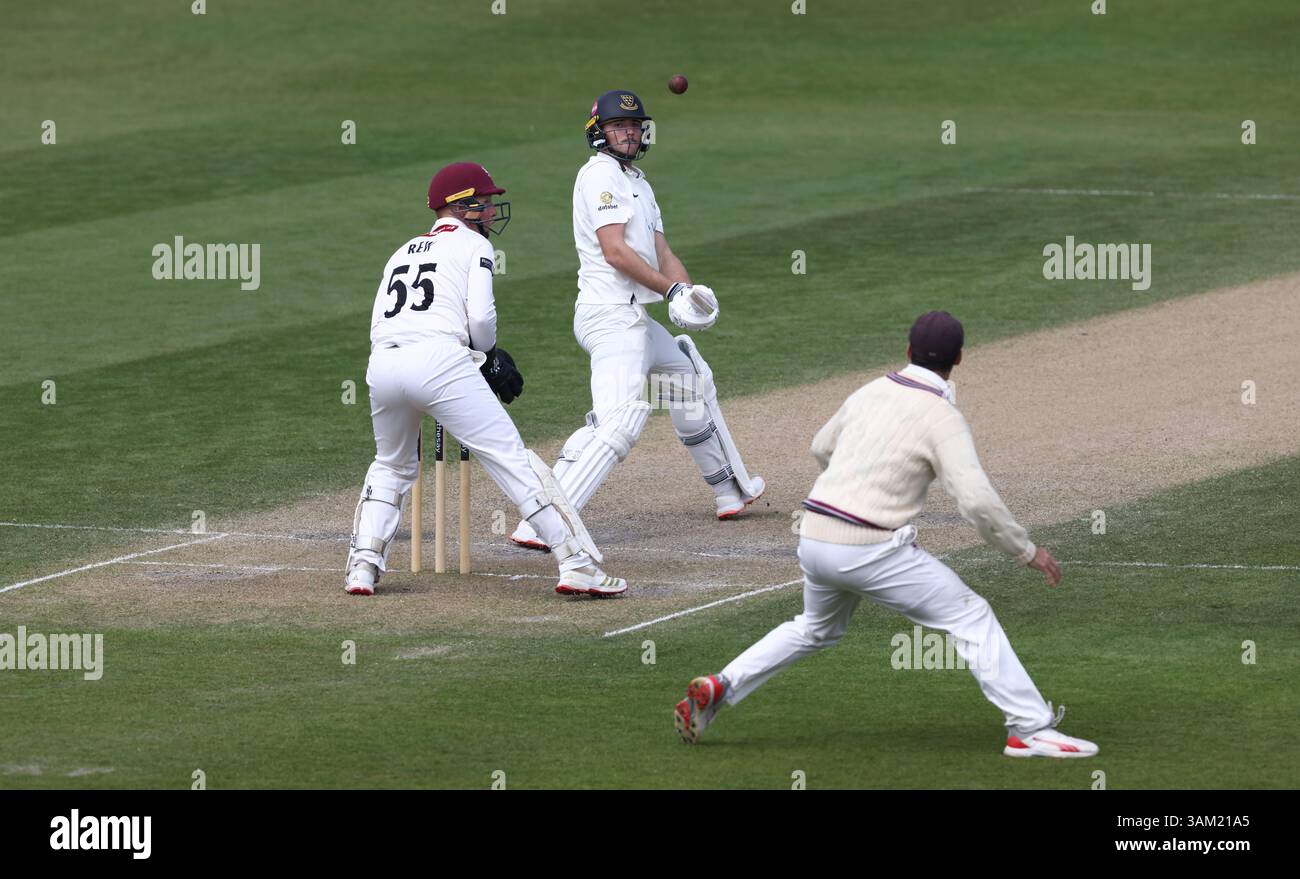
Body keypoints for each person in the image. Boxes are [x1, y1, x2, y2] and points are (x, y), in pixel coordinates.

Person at [674, 311, 1099, 758]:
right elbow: (975, 500)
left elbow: (821, 446)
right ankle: (1030, 728)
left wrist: (852, 489)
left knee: (816, 629)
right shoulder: (942, 416)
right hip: (868, 547)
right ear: (959, 359)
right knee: (971, 616)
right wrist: (1025, 550)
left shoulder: (870, 391)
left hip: (814, 537)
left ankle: (722, 686)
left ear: (909, 351)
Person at [344, 162, 626, 598]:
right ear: (462, 206)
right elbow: (480, 317)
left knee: (392, 465)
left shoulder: (401, 250)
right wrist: (487, 356)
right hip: (439, 361)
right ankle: (576, 563)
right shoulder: (475, 246)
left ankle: (362, 568)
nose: (492, 210)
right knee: (511, 459)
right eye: (486, 202)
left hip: (382, 365)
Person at [509, 89, 764, 552]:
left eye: (633, 125)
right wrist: (668, 291)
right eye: (617, 126)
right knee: (618, 422)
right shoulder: (599, 177)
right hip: (609, 316)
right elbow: (615, 251)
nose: (628, 132)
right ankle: (540, 522)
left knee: (688, 381)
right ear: (598, 133)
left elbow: (662, 251)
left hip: (632, 317)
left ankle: (728, 490)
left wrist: (686, 292)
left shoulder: (638, 181)